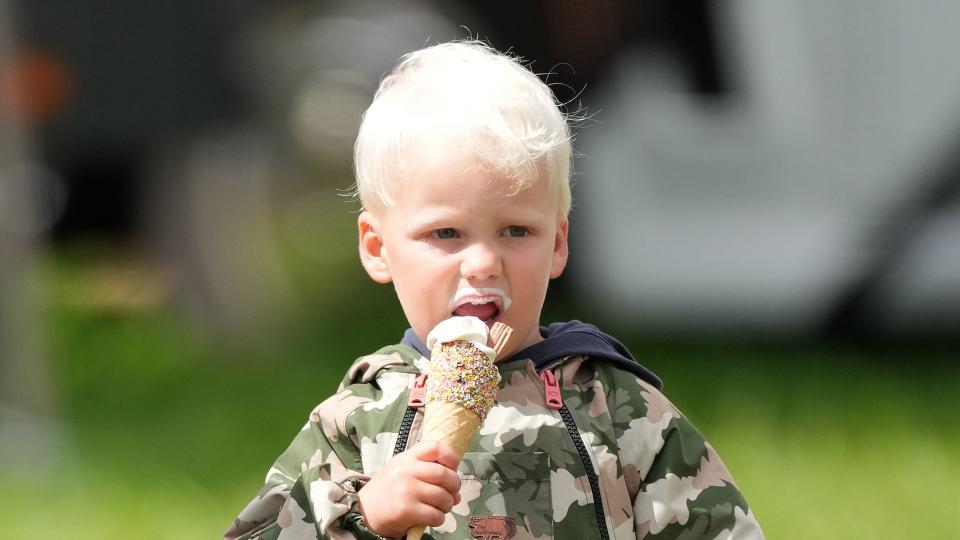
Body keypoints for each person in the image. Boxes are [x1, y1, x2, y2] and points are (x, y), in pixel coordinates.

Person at [225, 40, 764, 540]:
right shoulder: (355, 419)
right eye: (446, 234)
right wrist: (361, 517)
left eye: (516, 231)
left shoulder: (618, 409)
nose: (483, 263)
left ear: (557, 243)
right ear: (376, 247)